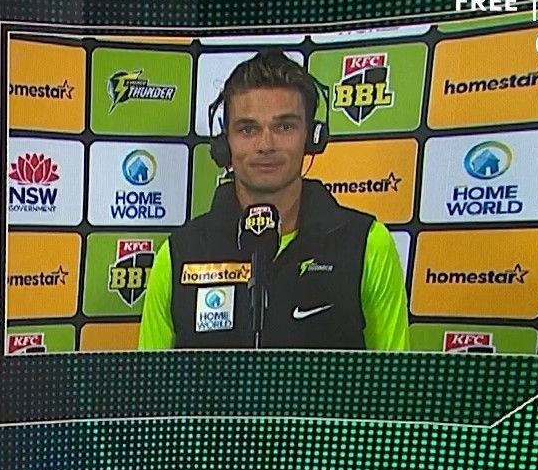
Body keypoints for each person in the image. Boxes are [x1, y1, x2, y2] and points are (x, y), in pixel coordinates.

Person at [137, 50, 408, 350]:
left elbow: (393, 377)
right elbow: (151, 379)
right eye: (248, 129)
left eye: (284, 127)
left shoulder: (366, 244)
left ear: (311, 136)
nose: (266, 145)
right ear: (225, 143)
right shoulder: (178, 254)